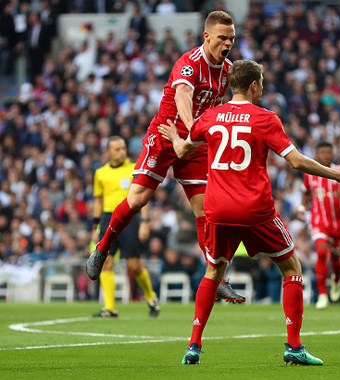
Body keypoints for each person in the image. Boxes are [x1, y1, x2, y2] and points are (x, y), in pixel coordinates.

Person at [157, 59, 340, 365]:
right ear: (253, 85)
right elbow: (297, 162)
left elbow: (183, 151)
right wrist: (335, 174)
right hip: (254, 209)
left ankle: (193, 346)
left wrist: (172, 136)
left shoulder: (210, 116)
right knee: (292, 269)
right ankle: (293, 347)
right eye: (261, 83)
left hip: (218, 209)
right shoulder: (265, 119)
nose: (262, 87)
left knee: (212, 272)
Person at [86, 10, 244, 303]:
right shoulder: (188, 63)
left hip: (195, 146)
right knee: (137, 200)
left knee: (206, 212)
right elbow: (183, 95)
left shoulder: (228, 70)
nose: (228, 44)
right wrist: (194, 128)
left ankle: (217, 274)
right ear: (207, 36)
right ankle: (103, 247)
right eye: (223, 38)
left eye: (232, 39)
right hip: (166, 136)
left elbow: (222, 105)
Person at [91, 136, 159, 317]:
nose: (121, 152)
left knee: (134, 265)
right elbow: (98, 201)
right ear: (107, 152)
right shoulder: (100, 173)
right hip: (107, 219)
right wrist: (95, 226)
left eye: (123, 148)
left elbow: (143, 196)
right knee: (106, 262)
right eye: (117, 149)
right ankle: (110, 308)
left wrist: (144, 222)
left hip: (130, 219)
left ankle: (151, 297)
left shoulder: (134, 168)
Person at [300, 141, 340, 309]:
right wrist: (301, 207)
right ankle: (322, 294)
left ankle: (336, 280)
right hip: (319, 222)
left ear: (333, 154)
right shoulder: (310, 173)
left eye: (329, 152)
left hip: (338, 224)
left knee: (335, 258)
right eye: (323, 153)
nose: (326, 156)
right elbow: (305, 192)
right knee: (321, 252)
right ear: (317, 155)